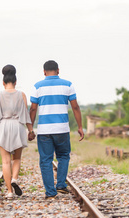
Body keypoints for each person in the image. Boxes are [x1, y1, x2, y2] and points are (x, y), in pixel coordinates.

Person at [29, 60, 84, 200]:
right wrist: (80, 127)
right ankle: (60, 184)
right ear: (58, 70)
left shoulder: (37, 86)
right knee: (64, 156)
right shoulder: (68, 85)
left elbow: (33, 108)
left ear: (44, 72)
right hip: (62, 129)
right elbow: (75, 107)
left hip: (44, 131)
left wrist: (30, 129)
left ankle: (50, 192)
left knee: (46, 160)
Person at [0, 64, 35, 200]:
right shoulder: (21, 95)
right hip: (18, 126)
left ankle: (9, 191)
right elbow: (26, 115)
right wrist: (31, 131)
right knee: (17, 158)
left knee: (5, 161)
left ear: (3, 82)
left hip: (3, 126)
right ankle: (15, 178)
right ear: (16, 82)